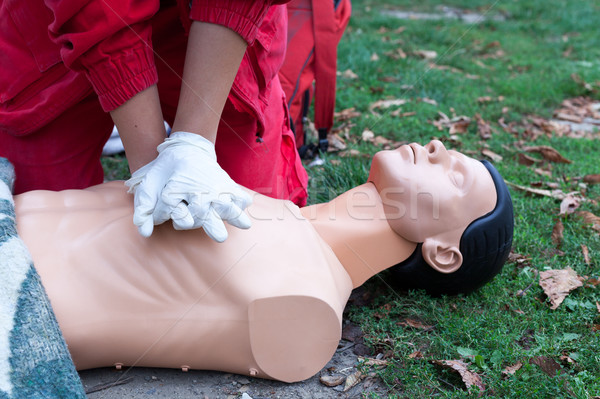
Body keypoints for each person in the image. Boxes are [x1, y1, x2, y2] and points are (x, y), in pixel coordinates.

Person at [10, 140, 514, 383]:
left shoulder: (307, 309)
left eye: (456, 178)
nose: (437, 146)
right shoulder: (282, 213)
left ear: (444, 254)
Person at [0, 0, 308, 242]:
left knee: (260, 230)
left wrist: (194, 144)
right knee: (38, 234)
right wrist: (149, 171)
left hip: (210, 35)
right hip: (57, 33)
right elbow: (96, 11)